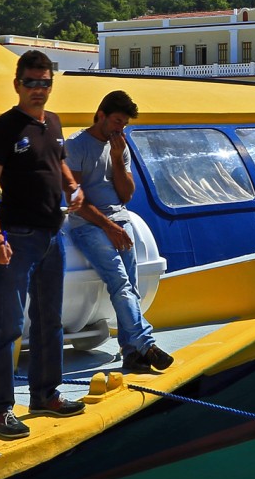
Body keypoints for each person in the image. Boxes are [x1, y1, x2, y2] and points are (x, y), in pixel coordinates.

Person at [0, 51, 86, 440]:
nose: (38, 90)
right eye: (31, 83)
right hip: (16, 238)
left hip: (52, 235)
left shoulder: (53, 123)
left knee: (49, 321)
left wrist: (72, 186)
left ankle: (45, 395)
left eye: (45, 83)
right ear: (17, 84)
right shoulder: (3, 127)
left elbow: (57, 162)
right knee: (8, 326)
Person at [65, 89, 174, 377]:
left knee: (132, 287)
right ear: (100, 115)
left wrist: (116, 157)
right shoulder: (75, 145)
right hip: (89, 225)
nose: (120, 128)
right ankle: (146, 343)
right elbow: (74, 200)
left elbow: (125, 195)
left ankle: (131, 354)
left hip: (119, 221)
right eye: (116, 121)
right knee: (121, 283)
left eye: (124, 123)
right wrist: (108, 227)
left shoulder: (119, 147)